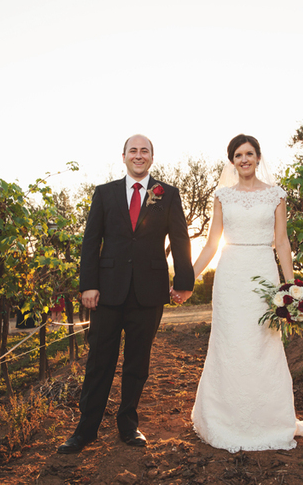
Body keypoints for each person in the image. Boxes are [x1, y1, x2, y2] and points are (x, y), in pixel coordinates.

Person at [177, 134, 303, 452]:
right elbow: (213, 244)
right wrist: (188, 280)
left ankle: (268, 418)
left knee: (261, 343)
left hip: (263, 274)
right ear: (232, 161)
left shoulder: (276, 195)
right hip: (230, 277)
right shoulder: (222, 196)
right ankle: (224, 418)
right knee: (230, 343)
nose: (244, 159)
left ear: (258, 157)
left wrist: (292, 287)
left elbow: (282, 243)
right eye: (238, 155)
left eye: (249, 153)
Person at [58, 134, 195, 454]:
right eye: (132, 150)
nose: (138, 155)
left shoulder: (168, 194)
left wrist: (184, 281)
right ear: (123, 157)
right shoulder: (104, 194)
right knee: (99, 361)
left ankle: (128, 424)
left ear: (151, 157)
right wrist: (88, 284)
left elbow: (180, 238)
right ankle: (85, 429)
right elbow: (91, 241)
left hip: (149, 292)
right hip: (107, 292)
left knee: (138, 362)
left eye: (144, 150)